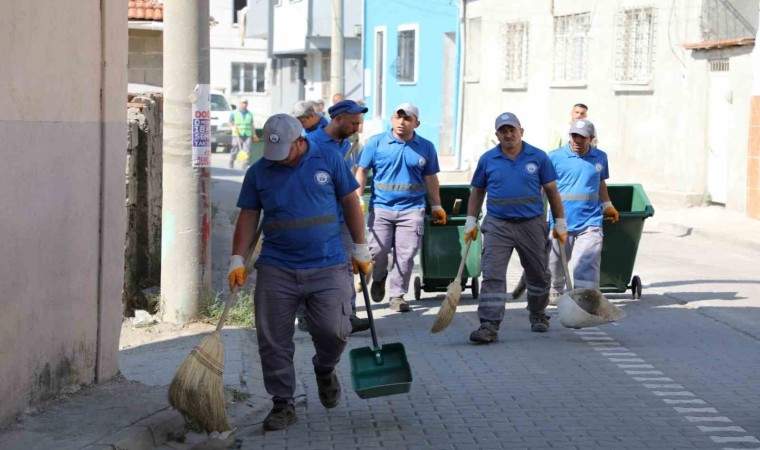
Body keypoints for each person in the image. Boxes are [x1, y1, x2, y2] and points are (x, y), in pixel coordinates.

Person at [228, 113, 371, 431]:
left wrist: (360, 248)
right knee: (273, 340)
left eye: (285, 152)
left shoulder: (329, 159)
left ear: (300, 141)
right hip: (277, 267)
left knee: (335, 331)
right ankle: (282, 403)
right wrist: (237, 259)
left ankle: (324, 367)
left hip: (328, 264)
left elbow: (349, 201)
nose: (278, 159)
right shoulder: (259, 172)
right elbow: (248, 216)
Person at [465, 112, 567, 344]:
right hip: (498, 225)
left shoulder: (538, 157)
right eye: (503, 131)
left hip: (531, 224)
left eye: (512, 130)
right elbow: (478, 191)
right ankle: (489, 324)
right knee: (492, 274)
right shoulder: (488, 159)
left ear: (521, 131)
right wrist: (471, 220)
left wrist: (559, 222)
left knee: (539, 274)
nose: (508, 134)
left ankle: (539, 313)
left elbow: (551, 191)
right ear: (497, 135)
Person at [354, 103, 446, 313]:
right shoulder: (376, 143)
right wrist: (358, 198)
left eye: (407, 119)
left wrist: (437, 205)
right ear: (391, 119)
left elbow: (431, 178)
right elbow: (361, 171)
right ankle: (379, 278)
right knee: (377, 252)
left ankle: (397, 296)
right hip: (381, 208)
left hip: (412, 208)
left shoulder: (426, 147)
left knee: (405, 256)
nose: (402, 122)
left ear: (416, 123)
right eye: (398, 117)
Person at [297, 99, 370, 334]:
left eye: (359, 123)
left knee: (348, 265)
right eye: (353, 123)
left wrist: (355, 199)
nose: (357, 128)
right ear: (337, 119)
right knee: (311, 267)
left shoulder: (346, 145)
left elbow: (348, 178)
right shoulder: (311, 144)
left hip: (343, 216)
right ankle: (306, 316)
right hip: (317, 220)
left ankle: (349, 315)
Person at [547, 119, 619, 300]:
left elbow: (600, 181)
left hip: (591, 219)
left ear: (591, 139)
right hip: (561, 219)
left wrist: (607, 205)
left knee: (587, 260)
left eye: (582, 137)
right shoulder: (554, 157)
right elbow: (544, 187)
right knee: (555, 261)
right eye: (574, 136)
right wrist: (539, 215)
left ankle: (586, 296)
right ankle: (555, 288)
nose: (577, 141)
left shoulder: (600, 157)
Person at [229, 99, 257, 169]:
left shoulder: (250, 114)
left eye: (246, 103)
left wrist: (254, 134)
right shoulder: (234, 113)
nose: (245, 104)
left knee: (247, 150)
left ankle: (244, 165)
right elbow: (230, 122)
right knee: (234, 149)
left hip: (247, 134)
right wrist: (232, 127)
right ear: (240, 104)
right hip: (237, 134)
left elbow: (252, 125)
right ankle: (231, 162)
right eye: (243, 103)